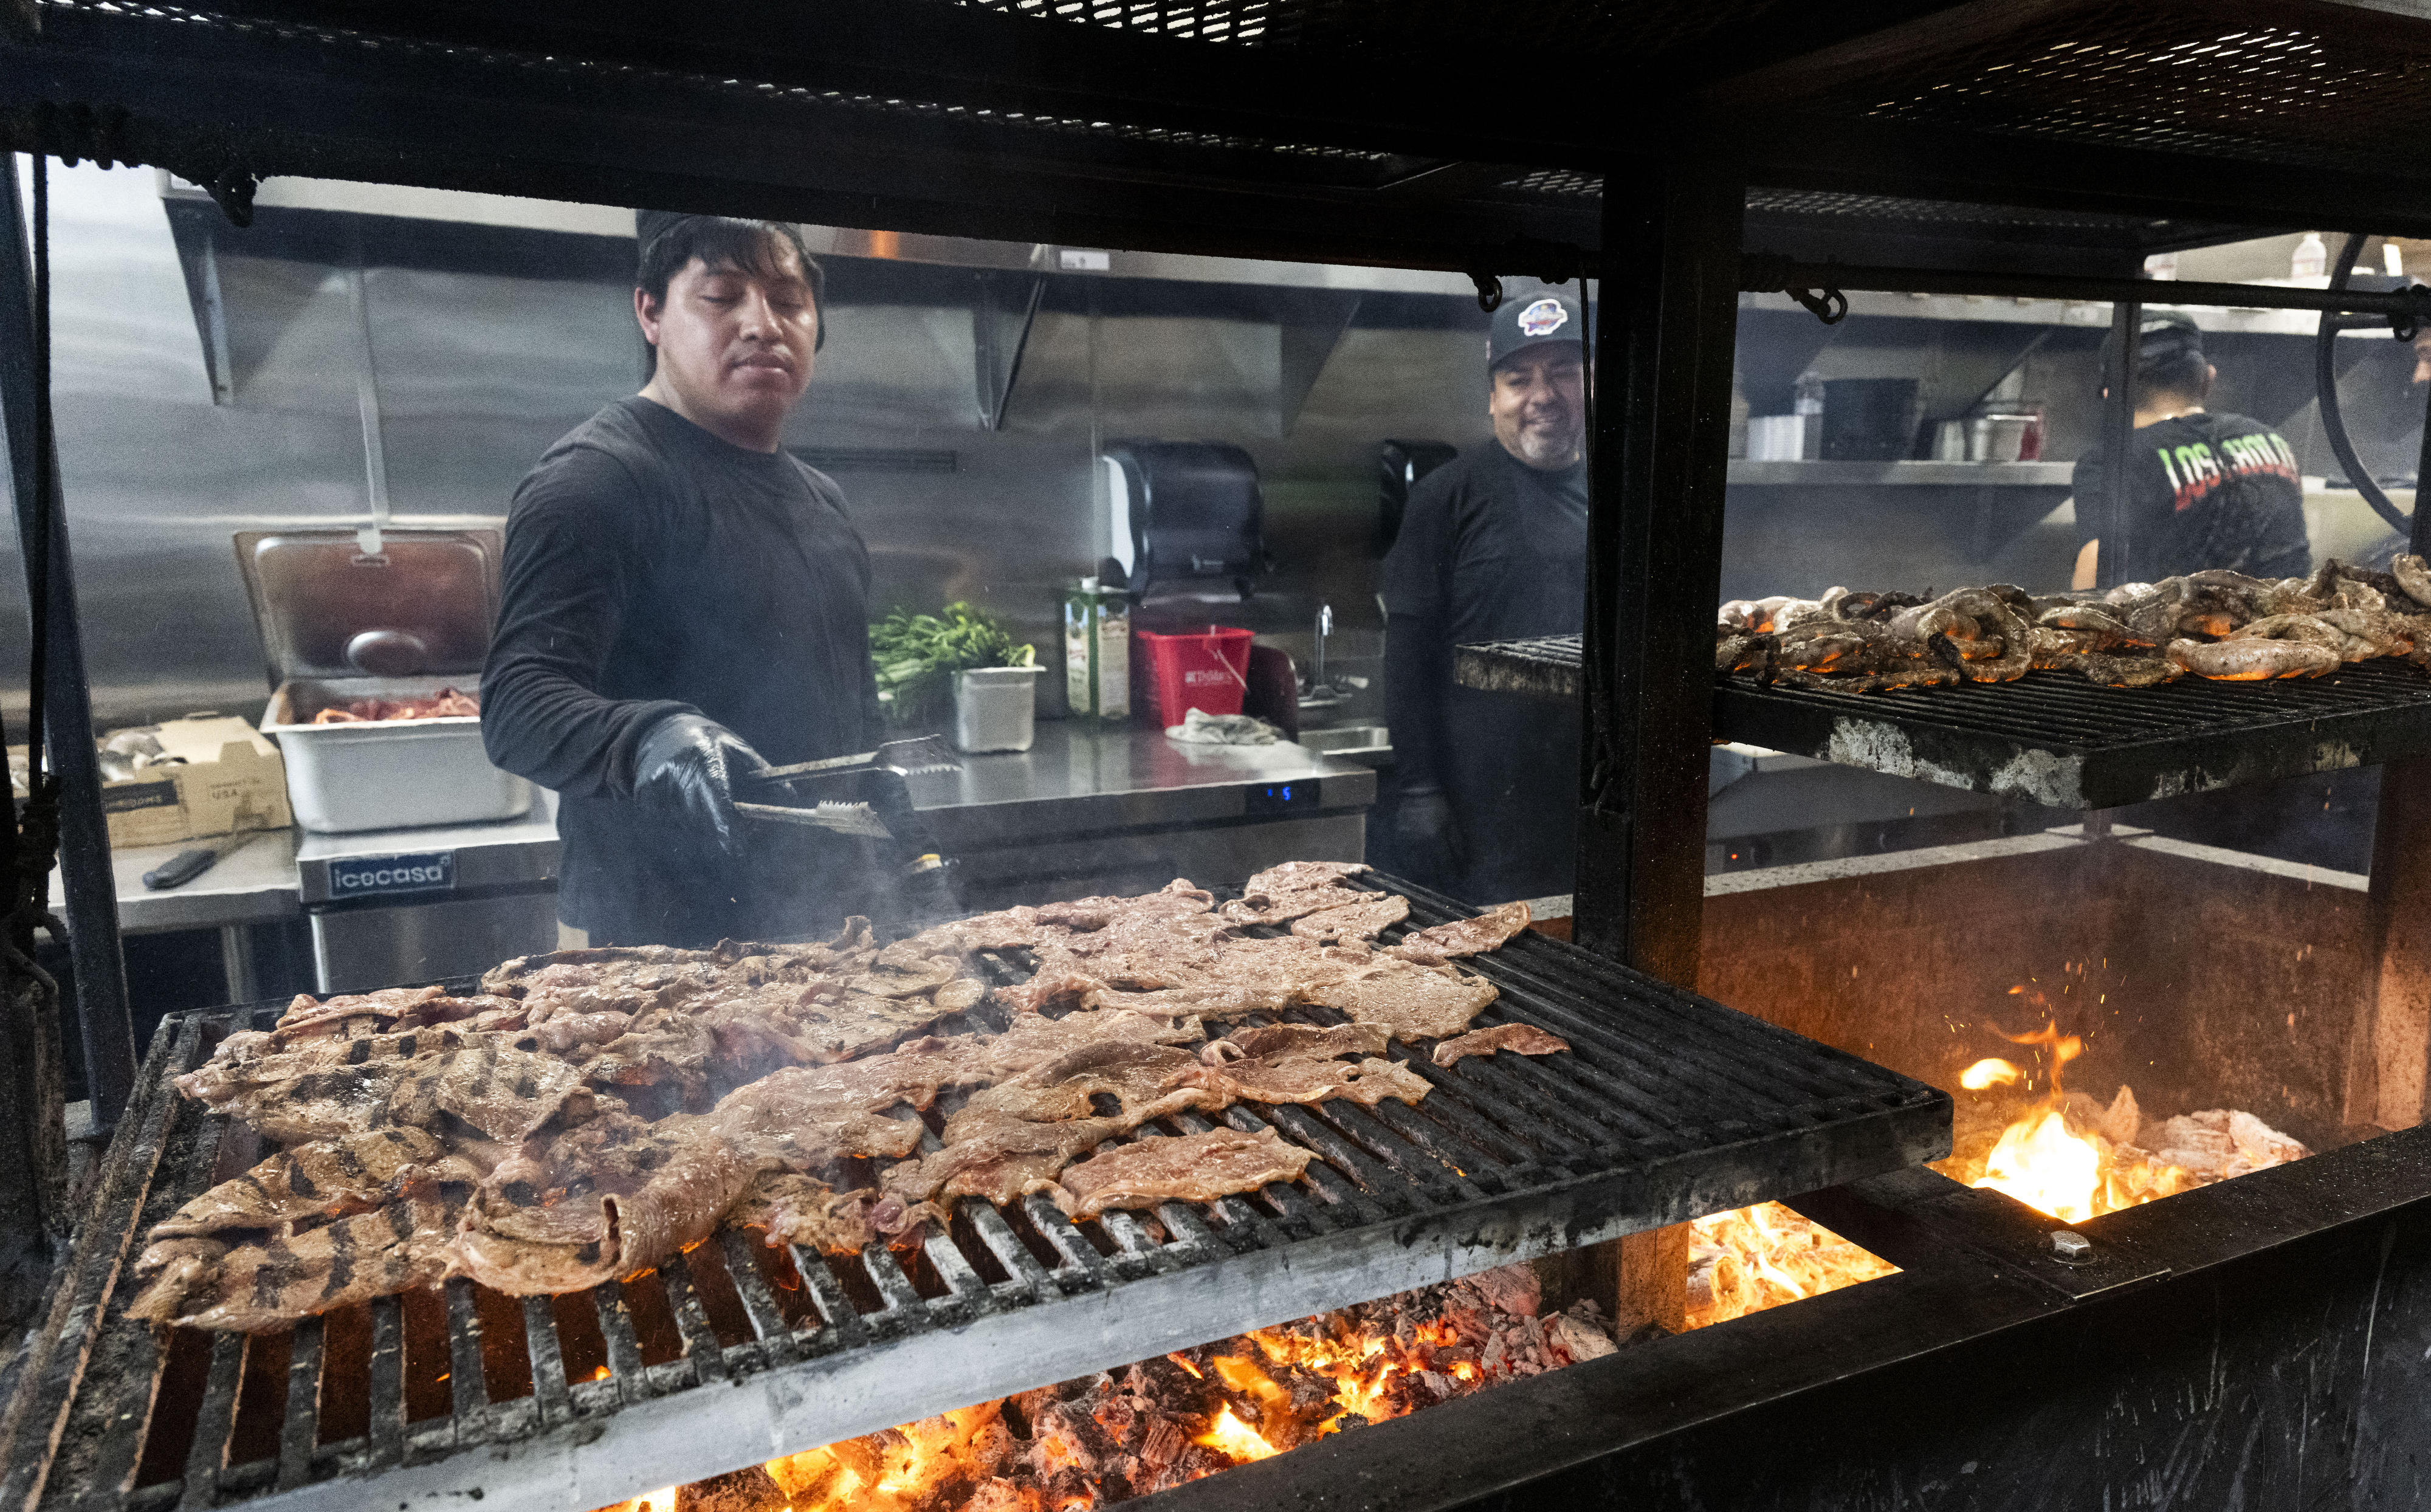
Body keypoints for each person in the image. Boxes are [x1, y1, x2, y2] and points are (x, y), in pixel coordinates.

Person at [483, 212, 925, 947]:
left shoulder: (824, 502)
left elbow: (856, 717)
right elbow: (517, 704)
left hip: (823, 934)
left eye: (788, 302)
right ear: (650, 313)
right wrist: (652, 736)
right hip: (652, 951)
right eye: (721, 297)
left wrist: (914, 857)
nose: (762, 324)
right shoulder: (598, 479)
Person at [1379, 288, 1588, 905]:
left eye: (1563, 374)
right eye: (1519, 379)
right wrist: (1419, 790)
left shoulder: (1627, 493)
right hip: (1482, 807)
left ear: (1591, 383)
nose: (1542, 396)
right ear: (1492, 398)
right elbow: (1407, 652)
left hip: (1590, 799)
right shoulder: (1446, 497)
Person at [2071, 310, 2309, 590]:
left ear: (2112, 398)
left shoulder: (2112, 461)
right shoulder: (2271, 438)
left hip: (2187, 630)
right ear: (2208, 379)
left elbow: (2097, 567)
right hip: (2295, 625)